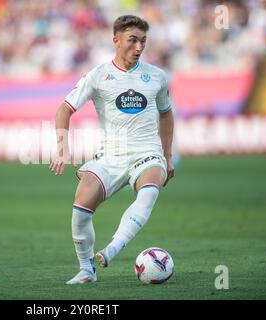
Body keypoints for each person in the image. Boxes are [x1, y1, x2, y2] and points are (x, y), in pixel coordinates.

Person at [49, 15, 175, 284]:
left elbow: (166, 114)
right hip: (110, 156)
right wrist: (62, 148)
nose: (139, 47)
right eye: (132, 40)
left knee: (150, 188)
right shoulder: (98, 76)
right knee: (80, 208)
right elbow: (64, 109)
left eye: (143, 41)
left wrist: (167, 156)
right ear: (116, 40)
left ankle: (114, 248)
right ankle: (86, 269)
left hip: (147, 153)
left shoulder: (157, 77)